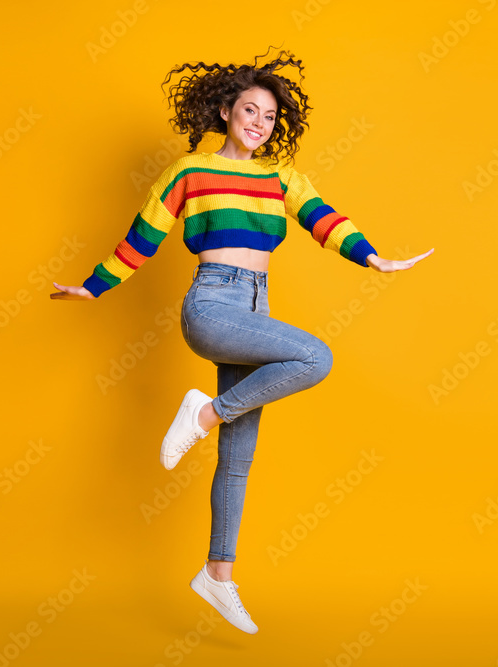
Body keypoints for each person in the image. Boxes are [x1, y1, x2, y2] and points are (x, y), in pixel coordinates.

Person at [50, 47, 434, 634]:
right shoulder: (190, 171)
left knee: (238, 461)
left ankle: (217, 575)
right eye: (249, 110)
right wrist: (94, 288)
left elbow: (326, 220)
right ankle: (203, 415)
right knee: (316, 357)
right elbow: (145, 232)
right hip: (213, 304)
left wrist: (374, 258)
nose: (259, 123)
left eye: (269, 117)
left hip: (258, 304)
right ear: (226, 110)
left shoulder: (282, 179)